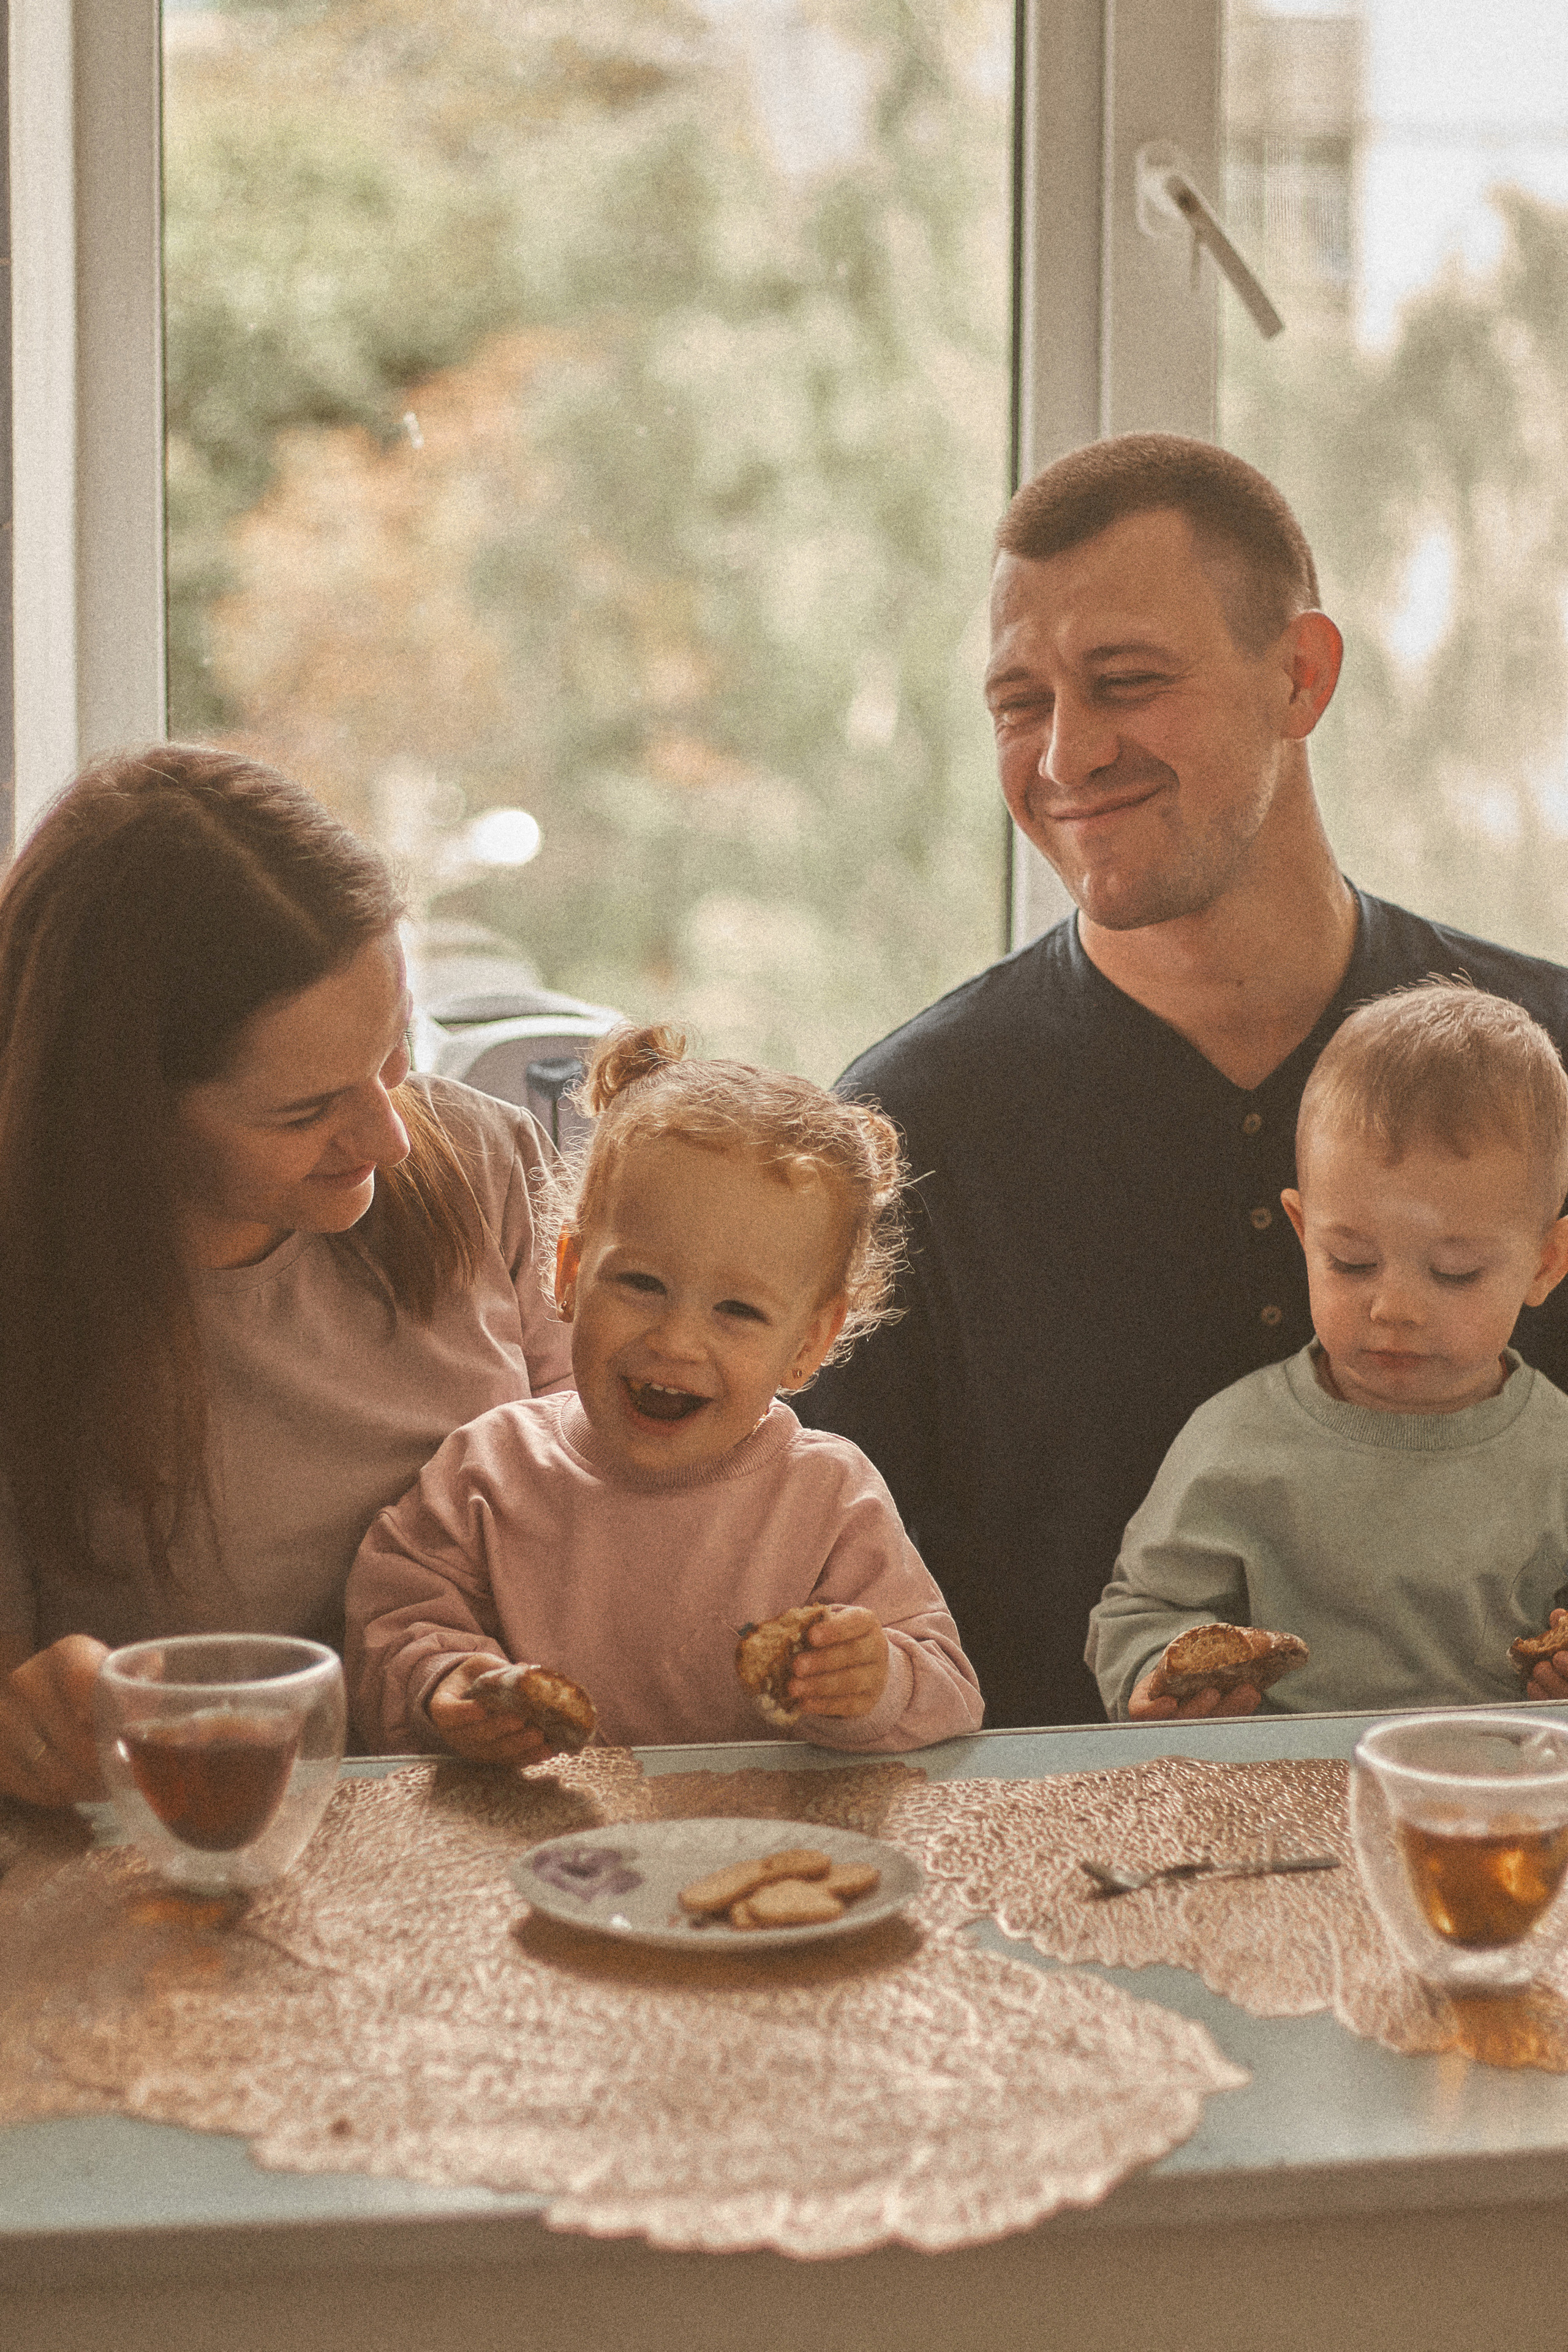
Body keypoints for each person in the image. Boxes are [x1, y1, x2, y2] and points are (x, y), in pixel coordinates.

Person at [796, 432, 1568, 1727]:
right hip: (1042, 1898)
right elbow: (814, 1607)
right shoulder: (902, 1139)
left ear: (1300, 677)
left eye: (1126, 681)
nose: (1063, 758)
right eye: (1017, 703)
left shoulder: (1549, 1064)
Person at [0, 745, 573, 1809]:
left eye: (395, 1054)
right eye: (305, 1112)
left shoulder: (487, 1166)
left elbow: (623, 1508)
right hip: (194, 1847)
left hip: (507, 1813)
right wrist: (27, 1717)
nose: (390, 1139)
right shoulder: (27, 1304)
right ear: (122, 1117)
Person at [345, 1027, 984, 1757]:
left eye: (737, 1311)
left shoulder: (828, 1496)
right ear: (568, 1274)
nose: (676, 1342)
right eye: (641, 1283)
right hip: (539, 1846)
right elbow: (391, 1620)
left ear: (810, 1342)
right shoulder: (487, 1468)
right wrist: (445, 1684)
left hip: (753, 1846)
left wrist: (876, 1681)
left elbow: (949, 1693)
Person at [1087, 985, 1568, 1718]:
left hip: (1489, 1806)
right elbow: (1139, 1614)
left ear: (1544, 1264)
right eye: (1350, 1261)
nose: (1394, 1309)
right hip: (1264, 1802)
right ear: (1301, 1231)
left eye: (1454, 1273)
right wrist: (1158, 1678)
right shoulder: (1233, 1440)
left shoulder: (1556, 1450)